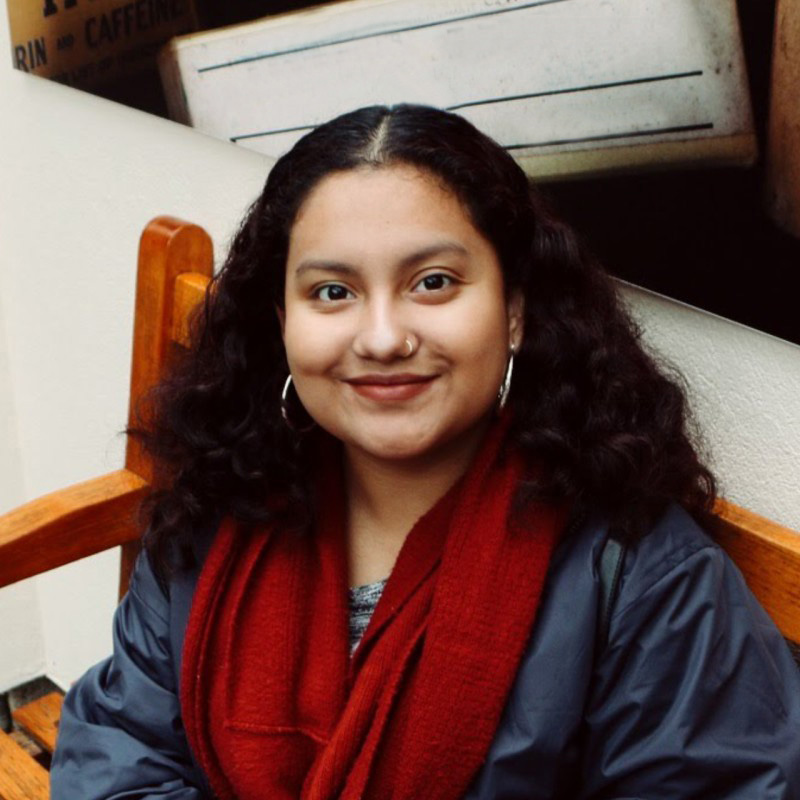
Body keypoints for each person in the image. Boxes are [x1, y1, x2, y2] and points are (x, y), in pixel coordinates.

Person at [51, 104, 800, 799]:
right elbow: (120, 748)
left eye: (433, 282)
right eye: (333, 292)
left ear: (514, 311)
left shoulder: (639, 577)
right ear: (282, 320)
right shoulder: (222, 501)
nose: (382, 338)